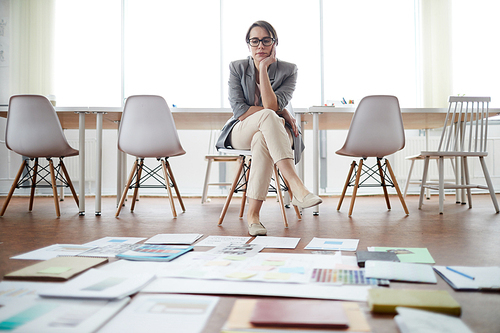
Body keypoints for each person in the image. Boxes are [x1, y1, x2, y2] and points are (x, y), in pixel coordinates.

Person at [217, 20, 322, 236]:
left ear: (275, 43)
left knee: (262, 140)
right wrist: (280, 112)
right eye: (254, 41)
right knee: (267, 116)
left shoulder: (289, 70)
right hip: (241, 130)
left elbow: (272, 105)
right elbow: (240, 111)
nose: (260, 46)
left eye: (266, 40)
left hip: (273, 133)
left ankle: (253, 217)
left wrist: (264, 70)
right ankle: (296, 185)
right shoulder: (237, 68)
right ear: (248, 45)